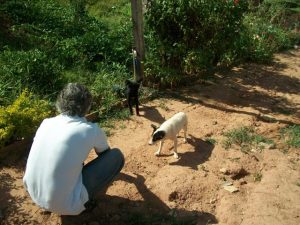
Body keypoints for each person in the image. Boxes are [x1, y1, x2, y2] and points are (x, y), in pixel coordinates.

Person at [23, 83, 124, 215]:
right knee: (116, 156)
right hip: (65, 205)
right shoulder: (90, 129)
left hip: (34, 194)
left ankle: (53, 201)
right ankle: (85, 202)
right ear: (87, 106)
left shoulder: (46, 122)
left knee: (71, 155)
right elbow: (105, 155)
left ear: (60, 102)